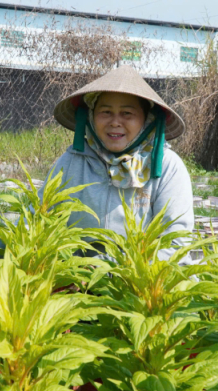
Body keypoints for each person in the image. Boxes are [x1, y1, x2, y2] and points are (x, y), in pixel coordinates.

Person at [44, 65, 194, 263]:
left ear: (147, 119)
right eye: (106, 112)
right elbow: (39, 218)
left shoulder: (167, 167)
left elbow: (176, 245)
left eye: (127, 113)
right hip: (75, 280)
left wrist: (114, 270)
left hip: (141, 282)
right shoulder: (72, 161)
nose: (115, 122)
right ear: (90, 116)